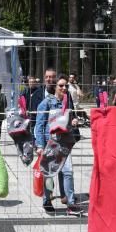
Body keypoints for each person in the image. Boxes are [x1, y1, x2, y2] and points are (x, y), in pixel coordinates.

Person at [34, 76, 80, 216]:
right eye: (61, 86)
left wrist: (74, 121)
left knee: (68, 172)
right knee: (49, 174)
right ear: (55, 87)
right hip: (51, 143)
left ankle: (71, 204)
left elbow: (70, 119)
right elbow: (40, 125)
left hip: (65, 143)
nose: (64, 88)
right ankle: (47, 200)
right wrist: (40, 145)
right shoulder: (46, 103)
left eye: (65, 86)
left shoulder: (68, 102)